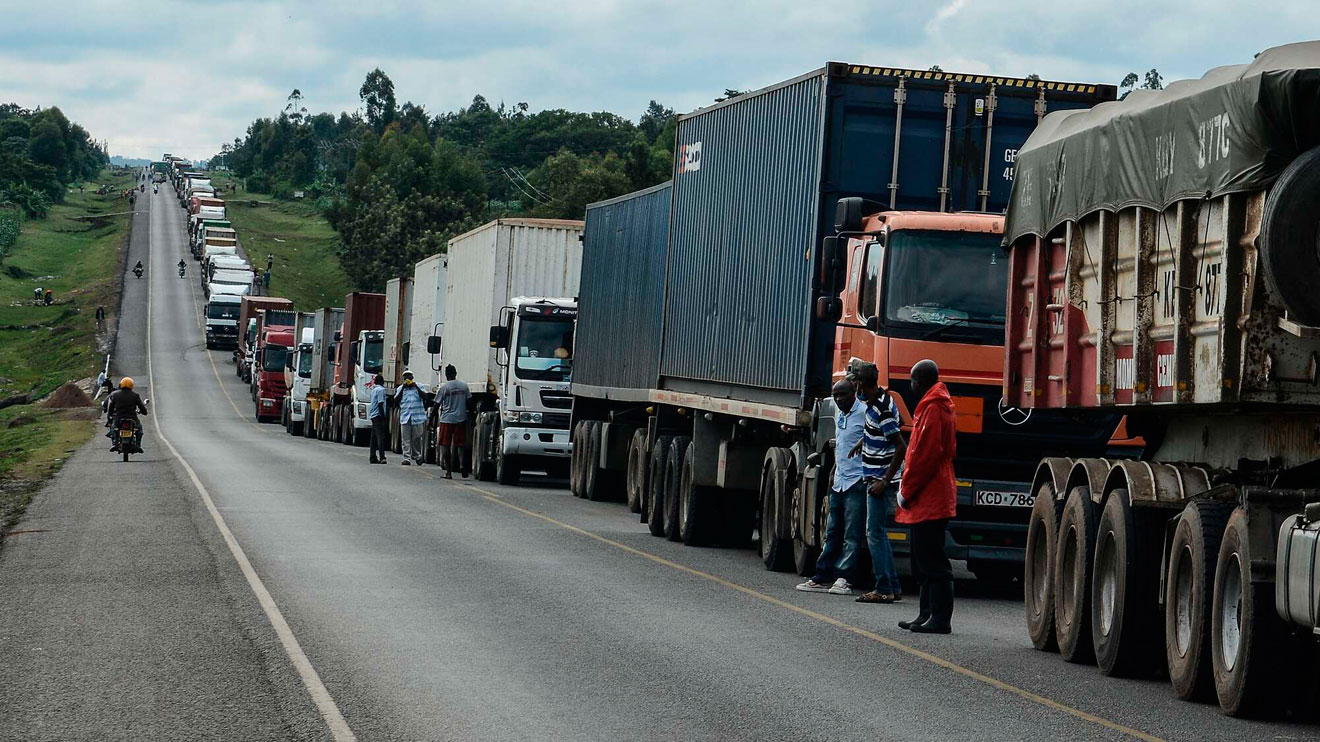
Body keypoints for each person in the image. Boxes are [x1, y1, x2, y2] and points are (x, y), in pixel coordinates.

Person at [896, 360, 958, 634]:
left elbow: (924, 456)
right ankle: (925, 614)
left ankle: (939, 618)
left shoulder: (933, 408)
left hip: (930, 495)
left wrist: (906, 490)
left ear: (919, 381)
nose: (910, 386)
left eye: (911, 380)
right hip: (929, 494)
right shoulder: (934, 405)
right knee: (922, 556)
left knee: (932, 558)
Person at [796, 379, 868, 595]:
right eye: (835, 396)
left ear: (853, 392)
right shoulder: (840, 413)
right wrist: (833, 471)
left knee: (852, 534)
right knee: (832, 531)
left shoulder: (864, 413)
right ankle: (822, 576)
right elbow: (841, 443)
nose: (838, 400)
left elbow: (879, 437)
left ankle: (844, 578)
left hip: (856, 481)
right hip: (839, 481)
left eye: (843, 395)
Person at [848, 362, 906, 604]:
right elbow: (889, 427)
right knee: (878, 532)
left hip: (879, 479)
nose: (854, 387)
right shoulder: (880, 401)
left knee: (874, 533)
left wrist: (884, 479)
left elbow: (900, 445)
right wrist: (863, 442)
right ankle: (892, 585)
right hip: (875, 475)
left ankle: (883, 588)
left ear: (862, 384)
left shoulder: (880, 408)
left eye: (856, 383)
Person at [435, 364, 470, 479]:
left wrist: (431, 418)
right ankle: (461, 465)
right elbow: (469, 402)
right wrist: (471, 418)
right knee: (460, 445)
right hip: (461, 418)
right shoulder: (464, 386)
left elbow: (437, 404)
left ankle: (448, 472)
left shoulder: (444, 388)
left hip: (447, 419)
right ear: (455, 373)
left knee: (445, 445)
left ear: (446, 375)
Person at [105, 377, 148, 452]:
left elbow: (111, 407)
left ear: (121, 385)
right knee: (139, 429)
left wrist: (111, 414)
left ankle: (115, 443)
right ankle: (138, 444)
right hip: (132, 417)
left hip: (119, 417)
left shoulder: (116, 395)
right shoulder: (135, 395)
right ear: (131, 385)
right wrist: (144, 412)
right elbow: (141, 407)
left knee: (114, 429)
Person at [395, 369, 428, 466]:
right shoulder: (401, 388)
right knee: (405, 438)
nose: (407, 379)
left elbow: (425, 397)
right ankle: (406, 458)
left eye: (409, 377)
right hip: (405, 416)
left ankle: (417, 455)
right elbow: (396, 401)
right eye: (405, 378)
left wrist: (416, 387)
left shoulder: (419, 386)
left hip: (417, 416)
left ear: (412, 378)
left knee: (417, 437)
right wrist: (403, 389)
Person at [367, 373, 389, 465]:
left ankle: (372, 456)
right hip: (378, 415)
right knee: (380, 437)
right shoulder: (381, 390)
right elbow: (380, 403)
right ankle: (382, 457)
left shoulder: (373, 390)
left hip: (373, 415)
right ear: (382, 382)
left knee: (374, 437)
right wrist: (383, 416)